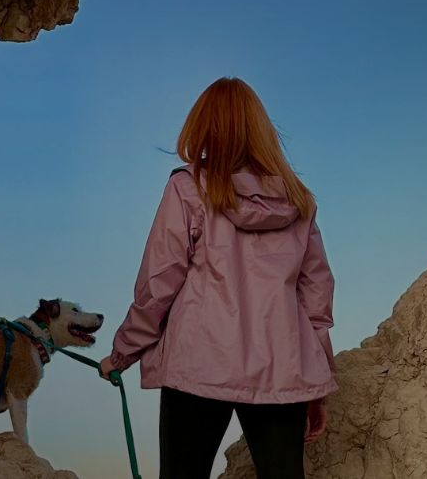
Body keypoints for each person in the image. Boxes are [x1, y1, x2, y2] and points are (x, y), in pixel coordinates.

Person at [99, 77, 337, 479]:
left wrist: (124, 353)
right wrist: (315, 382)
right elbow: (316, 300)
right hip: (282, 365)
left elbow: (159, 282)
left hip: (198, 363)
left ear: (203, 126)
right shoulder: (300, 201)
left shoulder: (188, 187)